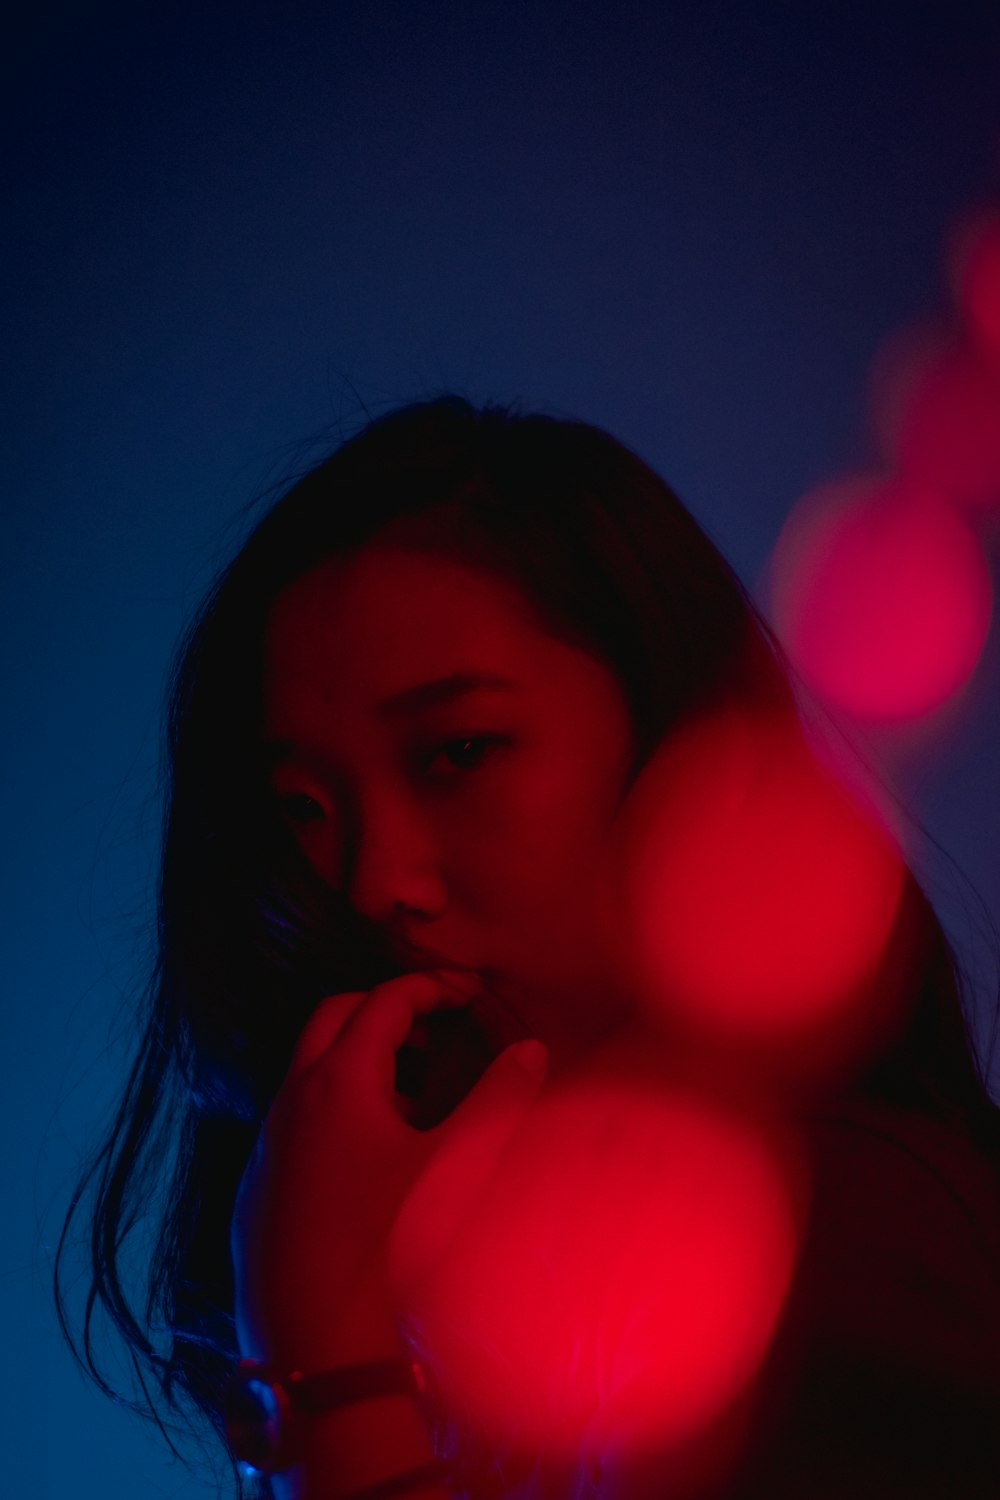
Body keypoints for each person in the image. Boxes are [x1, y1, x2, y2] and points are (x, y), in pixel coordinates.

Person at [55, 396, 1000, 1500]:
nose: (374, 883)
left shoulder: (840, 1238)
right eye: (303, 806)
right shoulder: (507, 1282)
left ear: (681, 746)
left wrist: (326, 1357)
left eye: (458, 752)